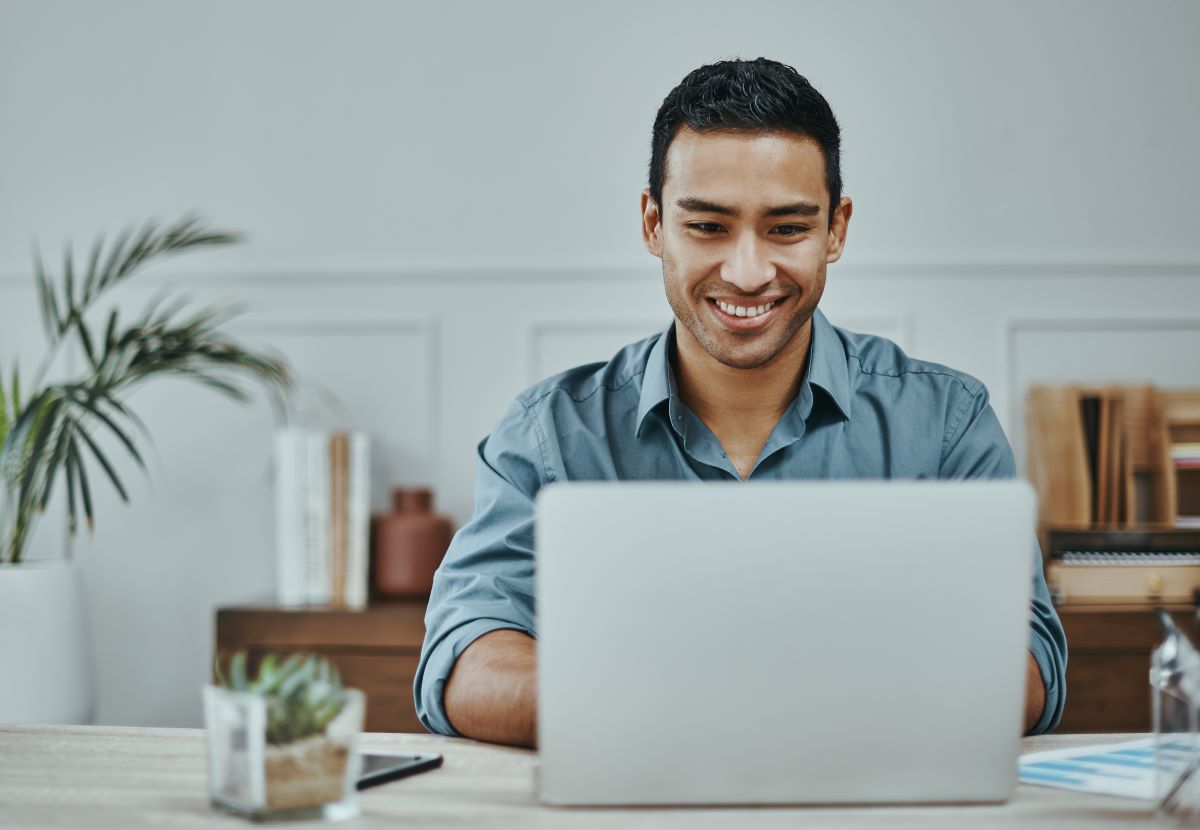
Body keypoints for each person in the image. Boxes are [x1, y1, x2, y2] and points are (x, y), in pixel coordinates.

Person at [414, 58, 1067, 747]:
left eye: (786, 228)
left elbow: (1026, 669)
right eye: (707, 227)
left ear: (836, 230)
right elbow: (467, 659)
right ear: (652, 223)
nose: (748, 273)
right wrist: (692, 709)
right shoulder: (547, 433)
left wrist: (747, 706)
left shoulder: (944, 425)